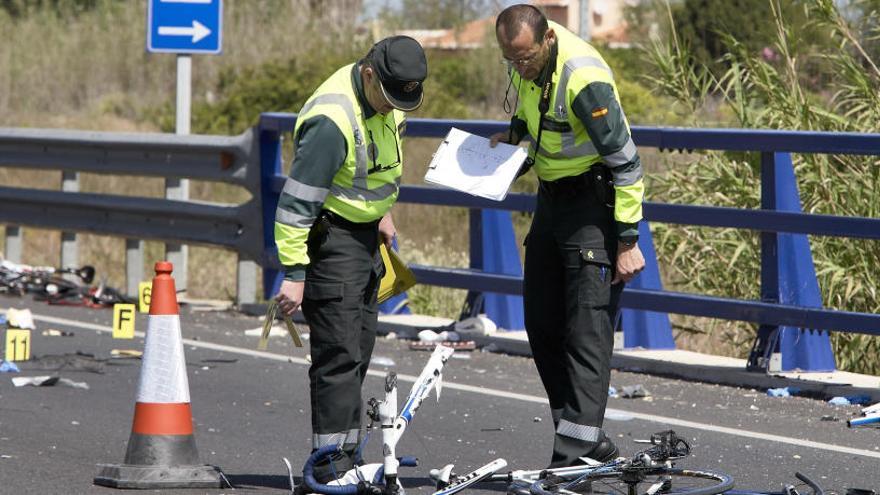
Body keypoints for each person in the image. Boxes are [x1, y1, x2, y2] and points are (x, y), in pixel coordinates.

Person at [490, 4, 646, 468]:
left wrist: (627, 240)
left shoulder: (583, 79)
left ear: (547, 41)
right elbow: (536, 117)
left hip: (593, 206)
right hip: (551, 200)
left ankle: (574, 455)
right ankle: (585, 438)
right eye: (510, 60)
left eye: (525, 58)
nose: (519, 67)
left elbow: (627, 164)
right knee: (541, 322)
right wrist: (513, 134)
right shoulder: (524, 59)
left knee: (586, 330)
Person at [273, 35, 427, 481]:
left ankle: (345, 456)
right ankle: (330, 465)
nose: (391, 107)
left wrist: (383, 213)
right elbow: (296, 206)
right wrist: (295, 274)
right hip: (332, 240)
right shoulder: (331, 120)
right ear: (368, 74)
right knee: (337, 355)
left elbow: (376, 165)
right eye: (388, 97)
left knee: (358, 348)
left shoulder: (391, 97)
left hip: (365, 238)